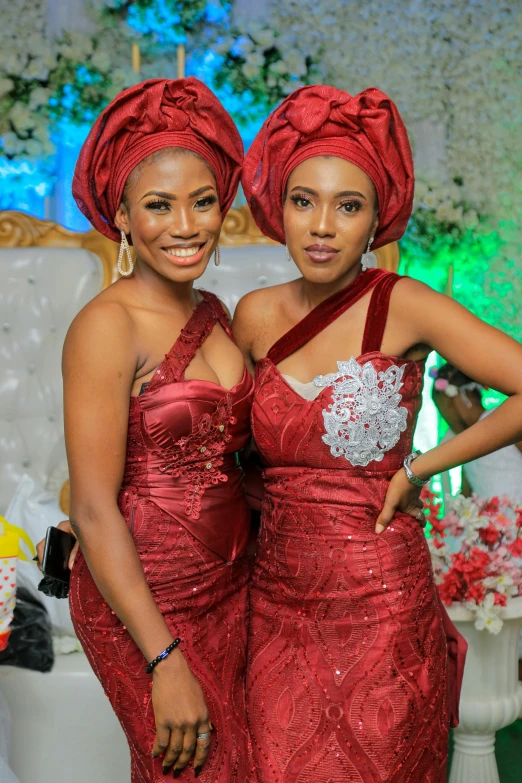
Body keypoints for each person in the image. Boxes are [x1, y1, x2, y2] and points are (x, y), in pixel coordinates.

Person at [234, 84, 522, 781]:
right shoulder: (249, 315)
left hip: (382, 610)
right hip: (276, 607)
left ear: (375, 223)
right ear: (280, 210)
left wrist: (421, 466)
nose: (323, 225)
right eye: (304, 201)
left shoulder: (404, 305)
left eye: (348, 205)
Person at [36, 78, 253, 782]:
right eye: (158, 205)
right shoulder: (107, 324)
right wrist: (163, 659)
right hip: (143, 607)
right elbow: (92, 507)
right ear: (123, 216)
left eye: (202, 201)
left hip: (229, 591)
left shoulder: (218, 310)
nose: (185, 225)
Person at [432, 363, 522, 502]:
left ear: (457, 398)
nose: (446, 417)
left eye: (443, 408)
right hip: (489, 523)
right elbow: (467, 497)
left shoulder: (502, 419)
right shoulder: (466, 443)